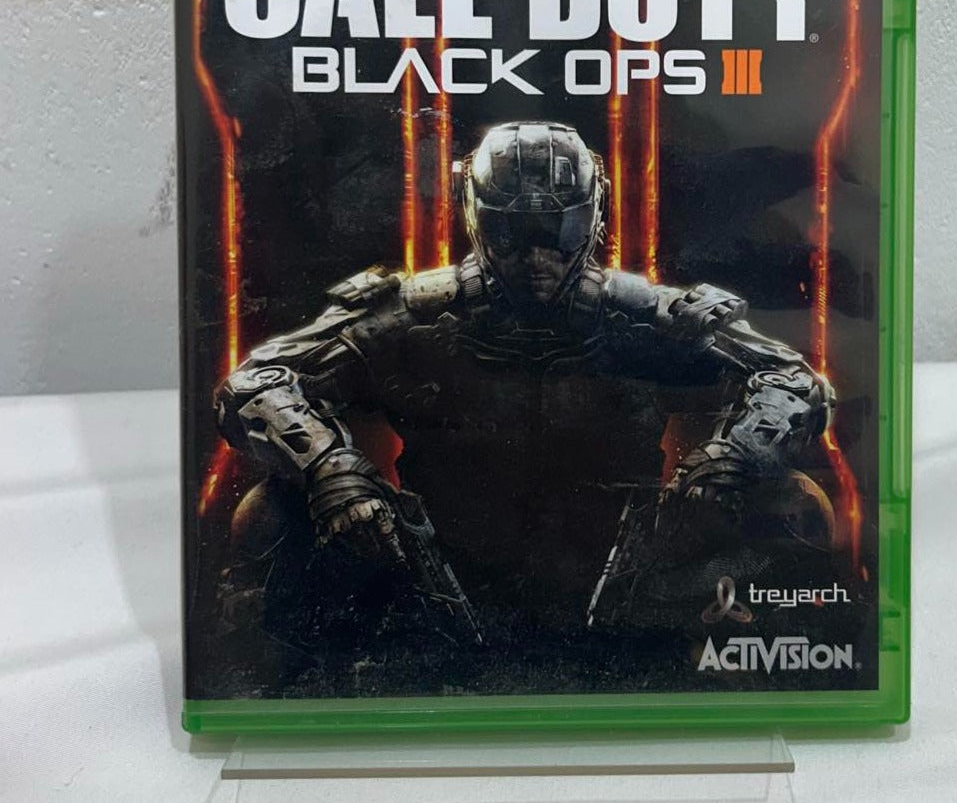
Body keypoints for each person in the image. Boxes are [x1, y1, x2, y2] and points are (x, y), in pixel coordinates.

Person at [214, 121, 835, 678]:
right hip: (433, 574)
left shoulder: (645, 315)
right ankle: (272, 674)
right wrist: (330, 470)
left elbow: (794, 380)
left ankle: (784, 673)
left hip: (634, 577)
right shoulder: (410, 315)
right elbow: (254, 383)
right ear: (478, 218)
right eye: (512, 234)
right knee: (270, 511)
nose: (536, 258)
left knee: (794, 502)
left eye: (557, 233)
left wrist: (736, 456)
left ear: (590, 218)